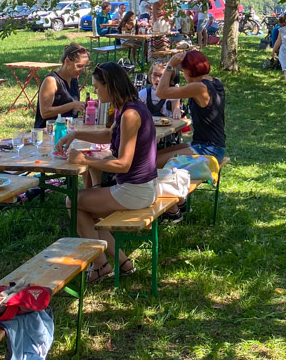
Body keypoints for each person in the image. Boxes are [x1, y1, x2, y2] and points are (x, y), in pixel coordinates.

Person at [55, 63, 157, 279]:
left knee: (72, 201)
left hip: (135, 191)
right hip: (140, 187)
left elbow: (123, 165)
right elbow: (109, 136)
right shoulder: (126, 107)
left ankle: (103, 265)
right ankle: (117, 264)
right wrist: (75, 134)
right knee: (83, 206)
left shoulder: (130, 114)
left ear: (110, 86)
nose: (95, 92)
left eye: (97, 87)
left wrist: (85, 160)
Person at [157, 50, 226, 160]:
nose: (183, 75)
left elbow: (160, 92)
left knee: (152, 163)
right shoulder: (215, 82)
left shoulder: (199, 88)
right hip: (207, 144)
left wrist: (170, 66)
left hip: (208, 149)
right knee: (154, 156)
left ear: (189, 70)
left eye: (182, 71)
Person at [34, 42, 89, 130]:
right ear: (67, 61)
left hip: (67, 131)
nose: (83, 70)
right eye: (79, 66)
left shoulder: (73, 79)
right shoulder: (51, 81)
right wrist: (72, 105)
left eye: (85, 66)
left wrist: (86, 106)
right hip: (48, 133)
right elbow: (44, 112)